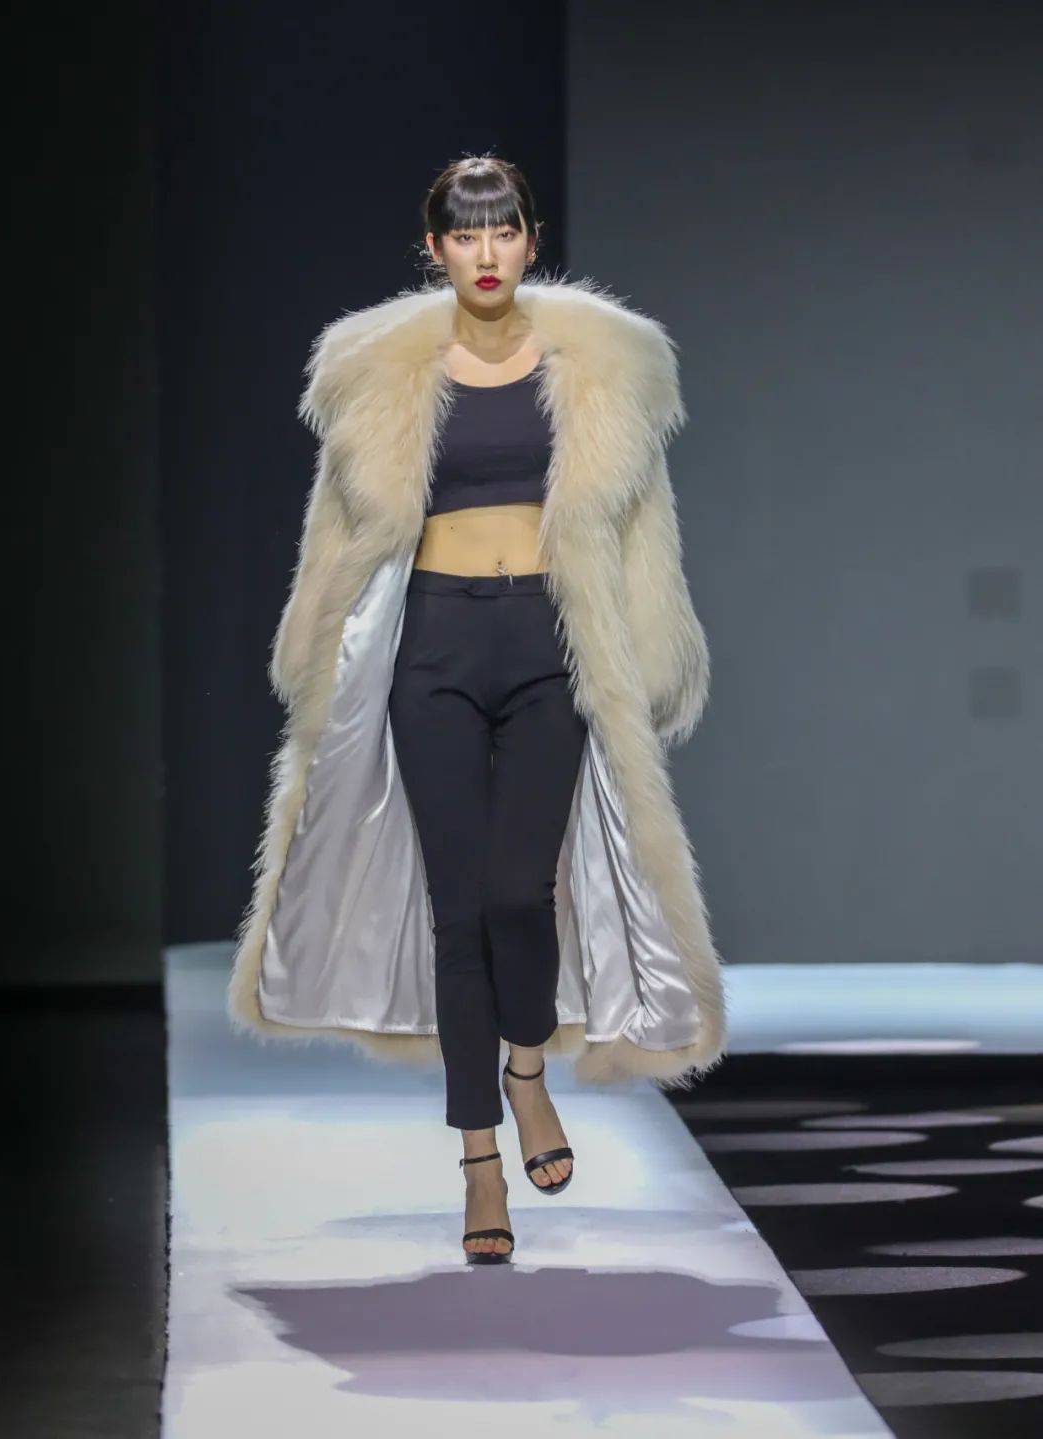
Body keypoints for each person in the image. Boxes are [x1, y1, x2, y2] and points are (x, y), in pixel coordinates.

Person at [227, 154, 727, 1268]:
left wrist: (655, 650)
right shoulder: (378, 373)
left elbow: (642, 531)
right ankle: (479, 1161)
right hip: (436, 644)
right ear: (436, 249)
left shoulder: (605, 366)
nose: (487, 252)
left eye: (504, 231)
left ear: (531, 241)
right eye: (466, 234)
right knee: (458, 909)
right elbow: (337, 532)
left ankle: (527, 1068)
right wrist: (310, 643)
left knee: (517, 891)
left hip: (550, 643)